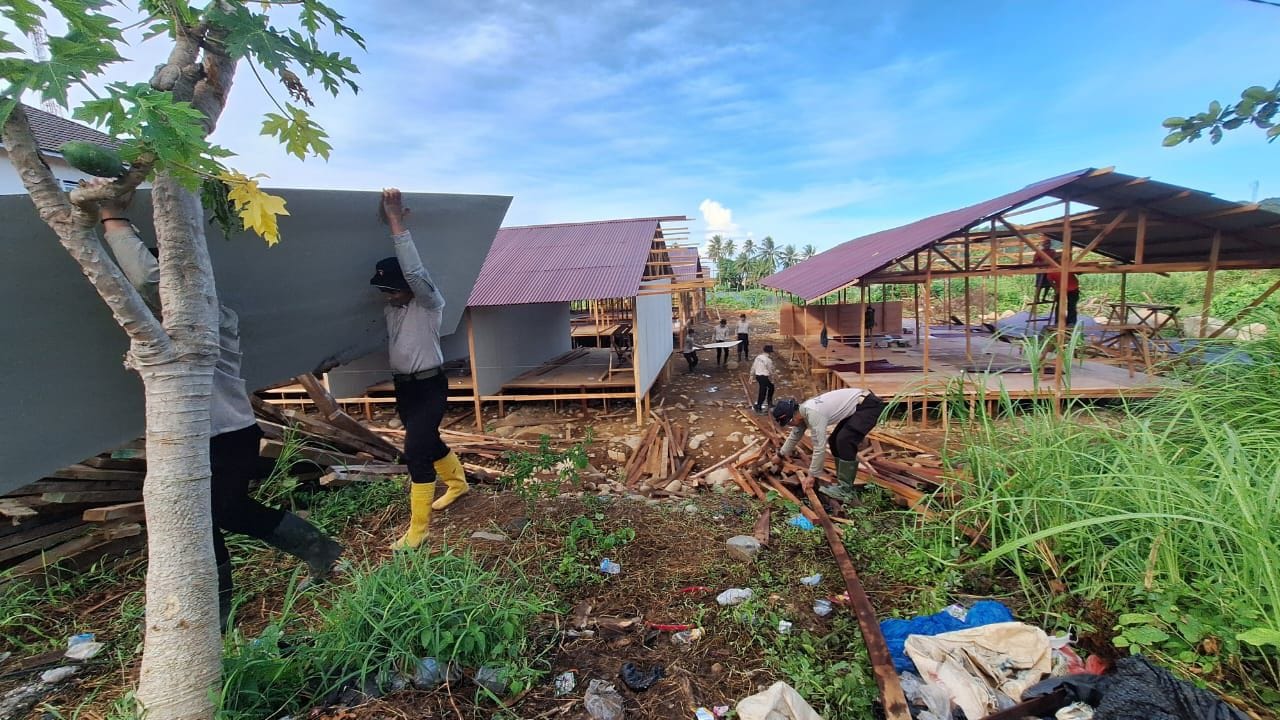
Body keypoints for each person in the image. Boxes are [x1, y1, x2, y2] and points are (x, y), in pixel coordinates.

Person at [93, 181, 342, 631]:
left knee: (224, 512)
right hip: (189, 437)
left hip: (227, 435)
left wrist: (114, 222)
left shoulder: (209, 315)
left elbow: (150, 282)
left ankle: (316, 551)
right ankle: (219, 613)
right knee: (200, 523)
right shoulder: (161, 333)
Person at [372, 188, 469, 551]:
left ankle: (419, 530)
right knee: (428, 440)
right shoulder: (391, 310)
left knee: (415, 451)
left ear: (406, 288)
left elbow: (413, 271)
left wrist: (396, 223)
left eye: (391, 289)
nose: (387, 295)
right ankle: (458, 484)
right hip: (405, 387)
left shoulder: (429, 304)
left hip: (430, 385)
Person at [772, 387, 885, 502]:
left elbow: (819, 448)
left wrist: (811, 476)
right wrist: (780, 454)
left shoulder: (813, 414)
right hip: (859, 405)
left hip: (869, 406)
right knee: (834, 441)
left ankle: (846, 490)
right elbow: (794, 436)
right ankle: (843, 481)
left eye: (790, 422)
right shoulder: (803, 412)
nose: (791, 425)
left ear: (793, 416)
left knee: (844, 441)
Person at [1037, 238, 1080, 326]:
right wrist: (1055, 288)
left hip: (1072, 288)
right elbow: (1049, 279)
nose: (1060, 260)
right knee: (1060, 306)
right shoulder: (1051, 268)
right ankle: (1058, 322)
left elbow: (1079, 273)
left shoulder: (1067, 266)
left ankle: (1071, 323)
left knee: (1071, 306)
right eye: (1059, 258)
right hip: (1061, 289)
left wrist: (1078, 269)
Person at [751, 345, 776, 414]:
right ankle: (759, 406)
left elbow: (754, 366)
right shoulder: (768, 360)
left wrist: (751, 375)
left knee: (771, 387)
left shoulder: (758, 357)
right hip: (763, 377)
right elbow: (770, 370)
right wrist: (773, 377)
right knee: (763, 391)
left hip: (758, 376)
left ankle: (769, 402)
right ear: (770, 352)